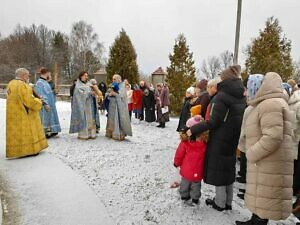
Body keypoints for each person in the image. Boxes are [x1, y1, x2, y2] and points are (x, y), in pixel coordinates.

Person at [236, 72, 294, 225]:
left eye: (248, 88)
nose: (246, 92)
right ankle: (255, 219)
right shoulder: (266, 103)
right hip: (266, 159)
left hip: (269, 160)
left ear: (256, 88)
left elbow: (273, 136)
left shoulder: (270, 104)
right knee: (262, 198)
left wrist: (252, 153)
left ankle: (258, 221)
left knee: (266, 197)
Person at [188, 65, 246, 211]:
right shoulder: (240, 96)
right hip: (233, 137)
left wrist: (193, 130)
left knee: (219, 168)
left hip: (220, 138)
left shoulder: (221, 97)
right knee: (228, 168)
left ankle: (219, 202)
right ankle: (228, 202)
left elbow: (213, 121)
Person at [6, 68, 48, 158]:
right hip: (24, 114)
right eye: (28, 75)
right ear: (23, 75)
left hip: (13, 114)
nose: (28, 77)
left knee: (17, 133)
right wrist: (39, 101)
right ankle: (29, 150)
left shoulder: (11, 83)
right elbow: (29, 101)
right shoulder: (23, 85)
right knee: (28, 132)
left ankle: (18, 151)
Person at [174, 115, 208, 205]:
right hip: (198, 170)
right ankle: (195, 198)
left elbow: (179, 154)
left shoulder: (185, 143)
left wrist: (176, 163)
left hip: (186, 170)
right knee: (196, 185)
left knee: (185, 184)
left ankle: (184, 195)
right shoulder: (204, 143)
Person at [34, 68, 61, 138]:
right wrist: (45, 103)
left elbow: (49, 93)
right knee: (45, 118)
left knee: (51, 117)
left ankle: (52, 131)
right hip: (45, 104)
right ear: (47, 73)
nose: (50, 75)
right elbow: (40, 94)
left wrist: (54, 93)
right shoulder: (39, 83)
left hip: (51, 103)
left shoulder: (45, 82)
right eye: (49, 73)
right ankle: (46, 132)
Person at [69, 71, 97, 140]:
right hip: (83, 106)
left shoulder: (88, 84)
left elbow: (91, 91)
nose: (86, 77)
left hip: (89, 105)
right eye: (85, 76)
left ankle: (91, 134)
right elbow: (80, 95)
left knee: (90, 119)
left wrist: (93, 93)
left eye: (87, 76)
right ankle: (84, 135)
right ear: (81, 76)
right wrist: (90, 93)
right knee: (84, 119)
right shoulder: (78, 85)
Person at [105, 74, 132, 141]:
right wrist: (109, 94)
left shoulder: (122, 86)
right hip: (111, 106)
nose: (113, 80)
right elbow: (106, 93)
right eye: (113, 79)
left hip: (118, 107)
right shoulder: (111, 85)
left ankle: (118, 134)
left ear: (119, 79)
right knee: (111, 119)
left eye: (114, 79)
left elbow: (122, 97)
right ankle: (110, 133)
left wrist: (115, 94)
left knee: (117, 120)